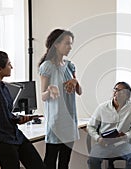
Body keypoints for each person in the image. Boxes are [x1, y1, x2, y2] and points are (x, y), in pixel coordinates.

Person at [0, 51, 46, 169]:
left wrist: (18, 119)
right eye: (9, 64)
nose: (11, 67)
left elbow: (5, 113)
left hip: (13, 134)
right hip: (0, 138)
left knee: (38, 165)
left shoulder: (2, 86)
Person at [38, 29, 82, 169]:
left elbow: (79, 92)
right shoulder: (47, 66)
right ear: (56, 44)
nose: (70, 47)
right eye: (67, 44)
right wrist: (50, 89)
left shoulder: (70, 65)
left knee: (65, 162)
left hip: (70, 120)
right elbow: (43, 96)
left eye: (71, 44)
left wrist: (75, 82)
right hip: (56, 121)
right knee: (50, 161)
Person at [87, 82, 131, 169]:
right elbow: (90, 126)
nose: (116, 92)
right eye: (115, 90)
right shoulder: (102, 107)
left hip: (122, 144)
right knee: (93, 159)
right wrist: (98, 138)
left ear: (127, 95)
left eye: (121, 91)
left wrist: (126, 135)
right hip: (104, 143)